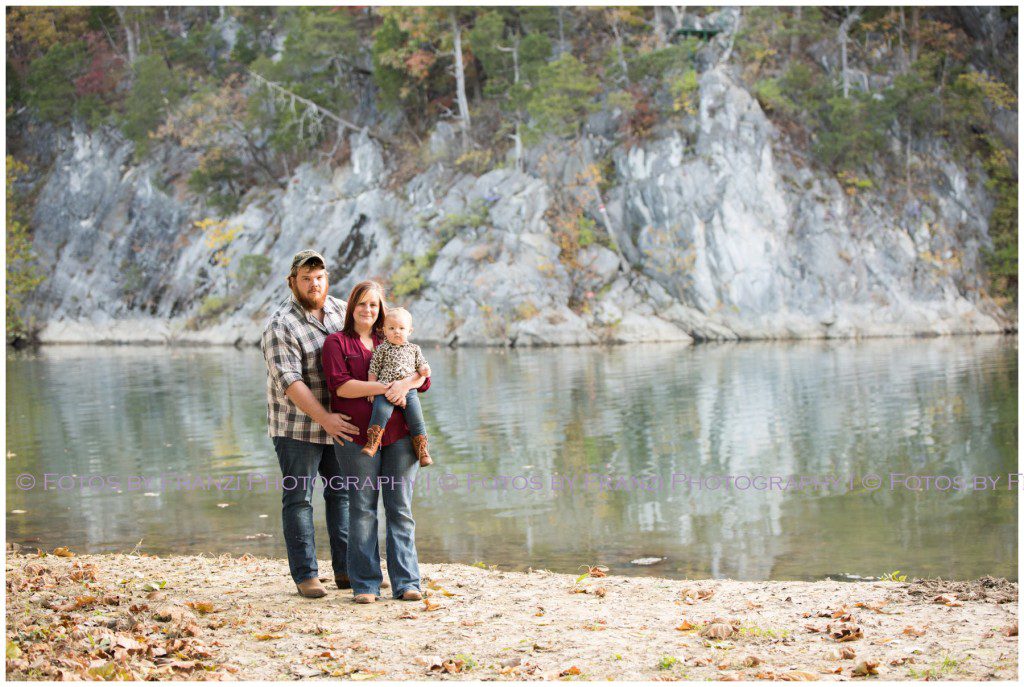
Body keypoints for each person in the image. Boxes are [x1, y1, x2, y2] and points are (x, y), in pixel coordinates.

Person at [260, 250, 363, 599]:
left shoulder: (340, 311)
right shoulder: (280, 325)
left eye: (319, 277)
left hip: (341, 425)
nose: (314, 283)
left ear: (326, 279)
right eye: (306, 278)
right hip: (296, 429)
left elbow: (367, 348)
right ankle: (306, 575)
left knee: (343, 495)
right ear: (293, 282)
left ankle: (348, 570)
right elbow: (290, 383)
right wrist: (326, 419)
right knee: (299, 499)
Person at [322, 281, 430, 604]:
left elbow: (424, 379)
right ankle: (366, 584)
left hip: (400, 437)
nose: (368, 310)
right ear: (350, 307)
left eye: (374, 305)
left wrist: (406, 382)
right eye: (361, 304)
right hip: (357, 438)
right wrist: (387, 388)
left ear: (381, 311)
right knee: (363, 508)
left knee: (399, 508)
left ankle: (407, 582)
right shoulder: (337, 343)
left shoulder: (395, 337)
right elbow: (339, 386)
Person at [364, 307, 433, 466]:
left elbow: (421, 366)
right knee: (380, 411)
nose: (397, 332)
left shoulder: (414, 349)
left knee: (416, 417)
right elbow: (373, 369)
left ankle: (422, 450)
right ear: (384, 330)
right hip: (385, 388)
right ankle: (373, 442)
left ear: (410, 330)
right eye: (392, 328)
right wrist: (371, 387)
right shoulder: (381, 349)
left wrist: (424, 369)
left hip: (409, 392)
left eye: (402, 328)